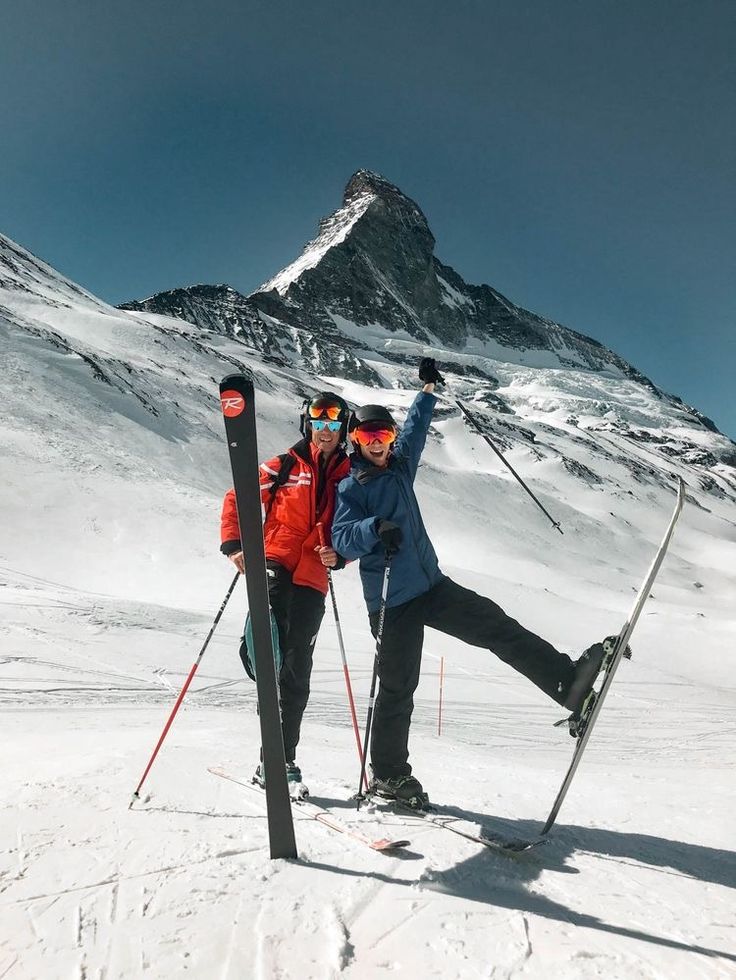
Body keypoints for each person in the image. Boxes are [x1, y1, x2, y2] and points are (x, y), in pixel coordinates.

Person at [331, 358, 609, 808]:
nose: (379, 443)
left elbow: (416, 431)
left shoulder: (400, 468)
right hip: (392, 602)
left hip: (431, 586)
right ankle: (387, 773)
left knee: (495, 626)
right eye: (369, 436)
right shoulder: (352, 487)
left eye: (383, 435)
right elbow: (341, 538)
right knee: (399, 685)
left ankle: (568, 685)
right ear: (355, 441)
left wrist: (426, 390)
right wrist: (374, 528)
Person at [220, 391, 351, 793]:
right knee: (268, 644)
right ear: (307, 424)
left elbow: (351, 526)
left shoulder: (350, 475)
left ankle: (280, 760)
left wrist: (340, 556)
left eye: (333, 424)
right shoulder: (285, 465)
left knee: (296, 671)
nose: (325, 431)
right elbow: (236, 495)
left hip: (313, 575)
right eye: (318, 422)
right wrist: (235, 544)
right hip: (275, 559)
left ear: (342, 429)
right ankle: (256, 649)